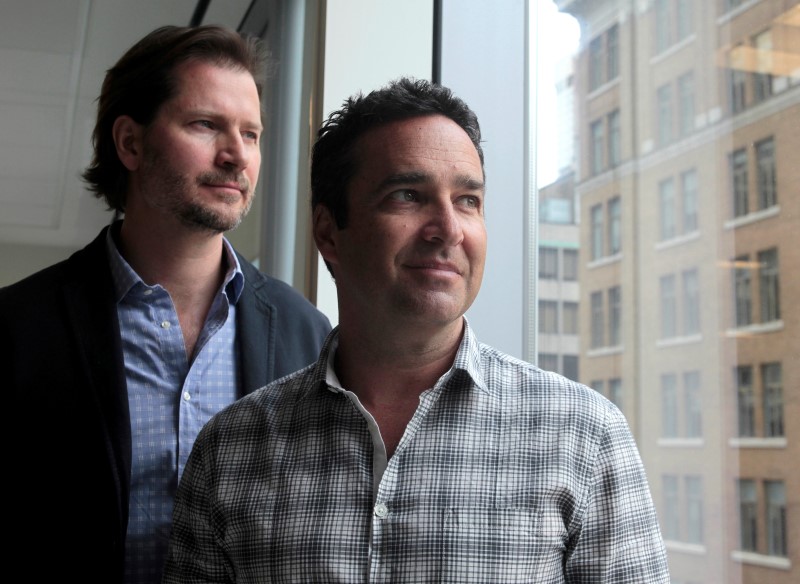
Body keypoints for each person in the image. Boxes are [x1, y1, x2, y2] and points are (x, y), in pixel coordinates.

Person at [163, 77, 670, 583]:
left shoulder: (583, 436)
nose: (449, 228)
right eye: (408, 195)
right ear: (328, 233)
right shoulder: (230, 451)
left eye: (468, 200)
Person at [2, 25, 331, 584]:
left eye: (251, 134)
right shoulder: (17, 326)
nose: (236, 156)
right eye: (206, 125)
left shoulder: (308, 332)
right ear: (130, 143)